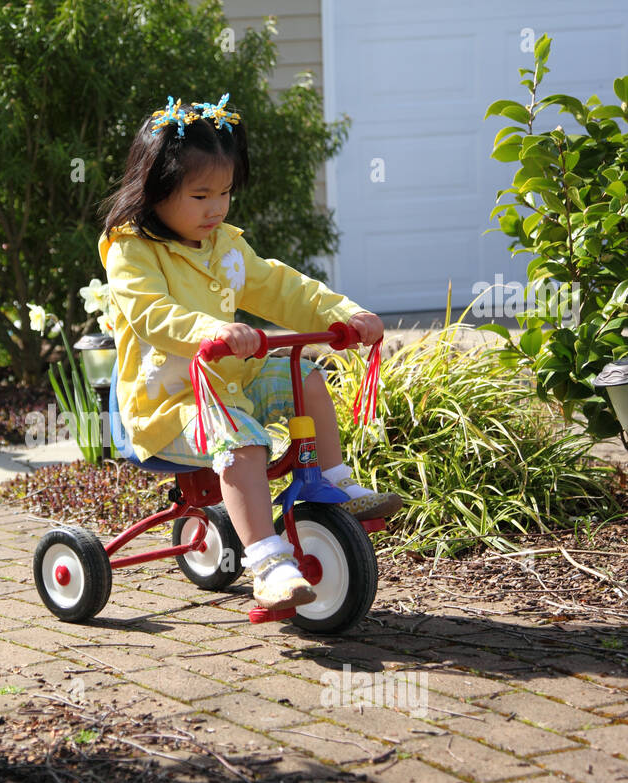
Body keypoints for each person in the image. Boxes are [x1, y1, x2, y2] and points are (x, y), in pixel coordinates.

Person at [97, 94, 402, 611]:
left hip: (230, 387)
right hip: (165, 406)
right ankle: (266, 561)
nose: (216, 207)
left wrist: (345, 315)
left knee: (305, 375)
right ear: (156, 189)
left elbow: (283, 288)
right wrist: (215, 331)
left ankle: (333, 482)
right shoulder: (132, 251)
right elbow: (152, 314)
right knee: (242, 441)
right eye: (200, 195)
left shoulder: (226, 247)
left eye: (225, 193)